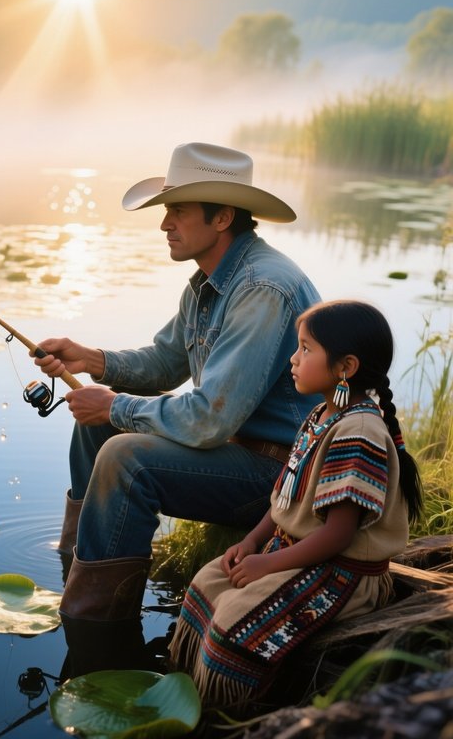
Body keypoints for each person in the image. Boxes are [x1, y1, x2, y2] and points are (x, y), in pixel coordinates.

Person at [33, 141, 321, 672]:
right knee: (96, 429)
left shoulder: (262, 287)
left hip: (283, 478)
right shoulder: (211, 281)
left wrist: (113, 406)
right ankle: (77, 569)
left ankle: (97, 627)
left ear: (222, 217)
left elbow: (209, 418)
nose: (164, 223)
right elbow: (166, 362)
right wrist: (90, 359)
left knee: (125, 456)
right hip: (239, 453)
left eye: (178, 211)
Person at [168, 300, 423, 707]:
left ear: (346, 367)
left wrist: (267, 565)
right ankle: (184, 693)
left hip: (340, 574)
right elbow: (285, 498)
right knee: (207, 583)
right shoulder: (320, 416)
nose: (294, 358)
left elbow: (339, 535)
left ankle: (229, 713)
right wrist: (252, 542)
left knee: (234, 628)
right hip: (297, 553)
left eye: (306, 348)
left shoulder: (359, 432)